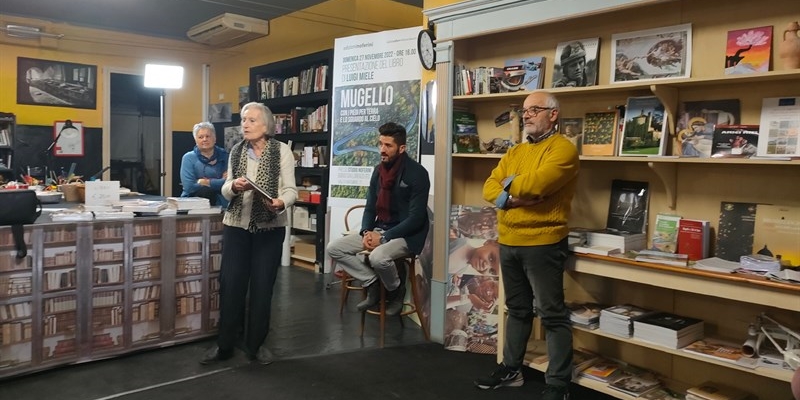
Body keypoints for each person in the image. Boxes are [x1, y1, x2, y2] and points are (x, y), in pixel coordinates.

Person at [474, 91, 580, 400]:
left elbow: (536, 185)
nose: (528, 115)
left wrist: (509, 185)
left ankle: (559, 384)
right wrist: (511, 198)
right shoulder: (516, 151)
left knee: (552, 314)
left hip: (543, 243)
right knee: (517, 310)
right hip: (509, 241)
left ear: (553, 114)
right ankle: (511, 370)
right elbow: (488, 187)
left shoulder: (563, 150)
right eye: (525, 111)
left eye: (535, 109)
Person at [200, 102, 297, 365]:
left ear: (266, 125)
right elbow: (225, 189)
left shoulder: (282, 151)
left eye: (251, 120)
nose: (245, 124)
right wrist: (234, 186)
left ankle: (256, 344)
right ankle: (225, 345)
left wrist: (281, 202)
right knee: (231, 285)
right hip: (236, 226)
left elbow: (291, 190)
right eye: (243, 119)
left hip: (270, 228)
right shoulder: (236, 151)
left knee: (262, 288)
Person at [327, 122, 430, 316]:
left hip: (407, 235)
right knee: (334, 248)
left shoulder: (417, 174)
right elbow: (370, 208)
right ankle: (371, 282)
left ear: (401, 148)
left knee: (378, 257)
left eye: (388, 145)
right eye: (380, 144)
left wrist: (383, 237)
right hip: (380, 229)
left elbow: (416, 218)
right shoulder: (378, 171)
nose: (382, 149)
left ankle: (396, 291)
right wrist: (366, 232)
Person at [180, 122, 229, 207]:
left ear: (214, 138)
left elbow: (229, 183)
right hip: (194, 203)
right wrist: (219, 181)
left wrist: (205, 182)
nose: (204, 139)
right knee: (205, 191)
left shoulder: (225, 156)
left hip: (222, 203)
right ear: (195, 140)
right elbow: (189, 187)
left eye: (208, 136)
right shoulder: (188, 158)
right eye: (200, 137)